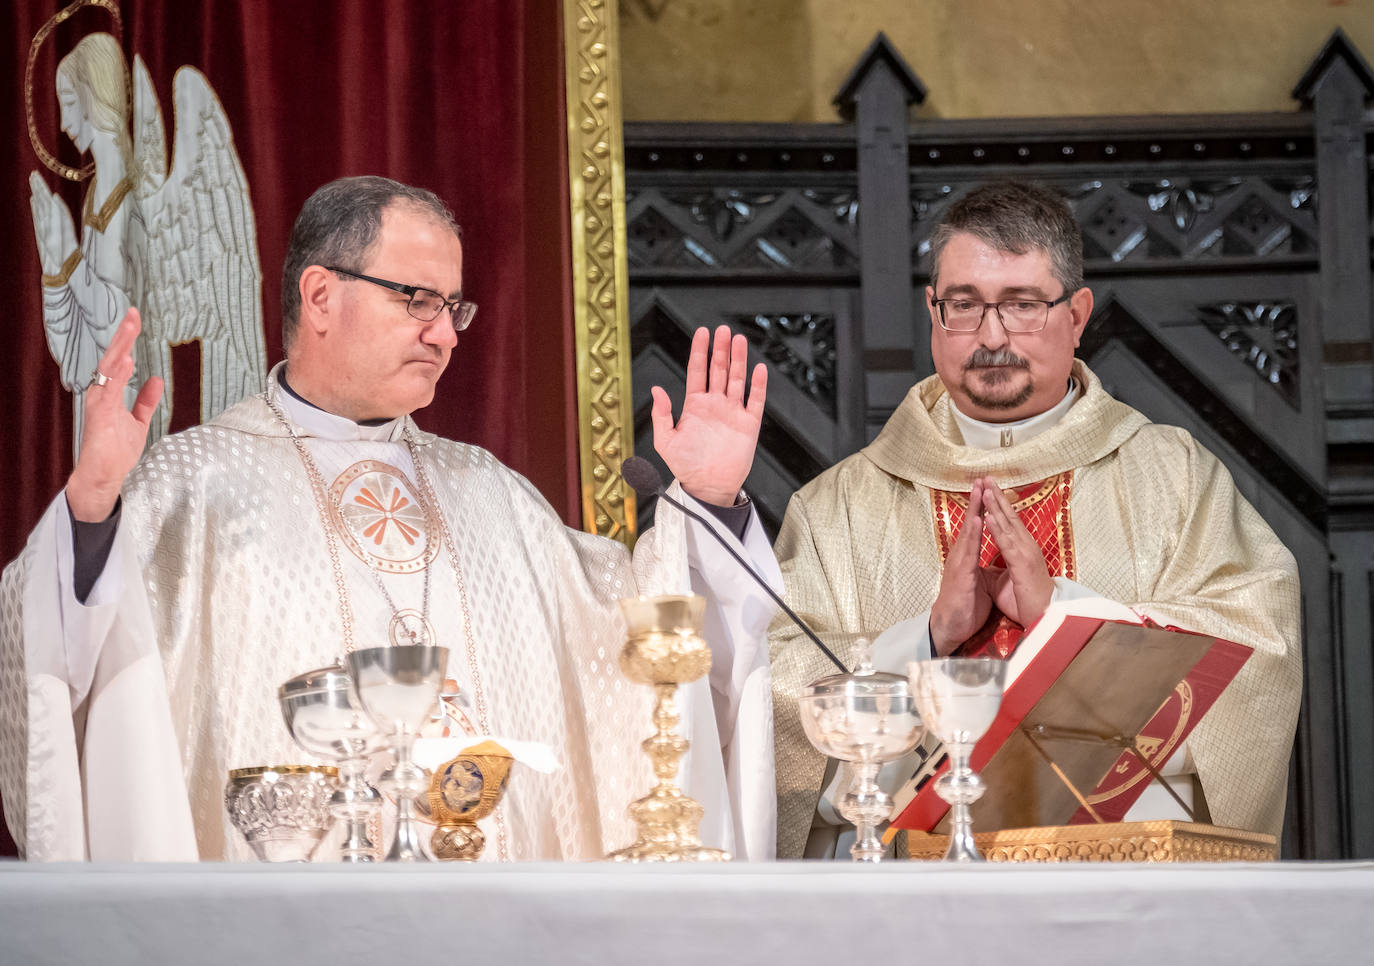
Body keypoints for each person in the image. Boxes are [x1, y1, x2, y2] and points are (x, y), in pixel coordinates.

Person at [0, 175, 778, 863]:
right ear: (320, 295)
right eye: (416, 300)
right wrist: (93, 505)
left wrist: (706, 504)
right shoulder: (193, 484)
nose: (444, 333)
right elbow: (59, 664)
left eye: (453, 307)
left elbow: (647, 649)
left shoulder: (492, 496)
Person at [770, 180, 1301, 859]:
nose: (992, 337)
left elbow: (1260, 648)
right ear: (933, 312)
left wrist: (1067, 619)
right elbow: (778, 694)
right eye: (964, 305)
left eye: (1021, 306)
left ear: (1077, 314)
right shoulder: (836, 507)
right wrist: (927, 639)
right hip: (908, 898)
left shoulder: (1174, 478)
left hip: (1119, 885)